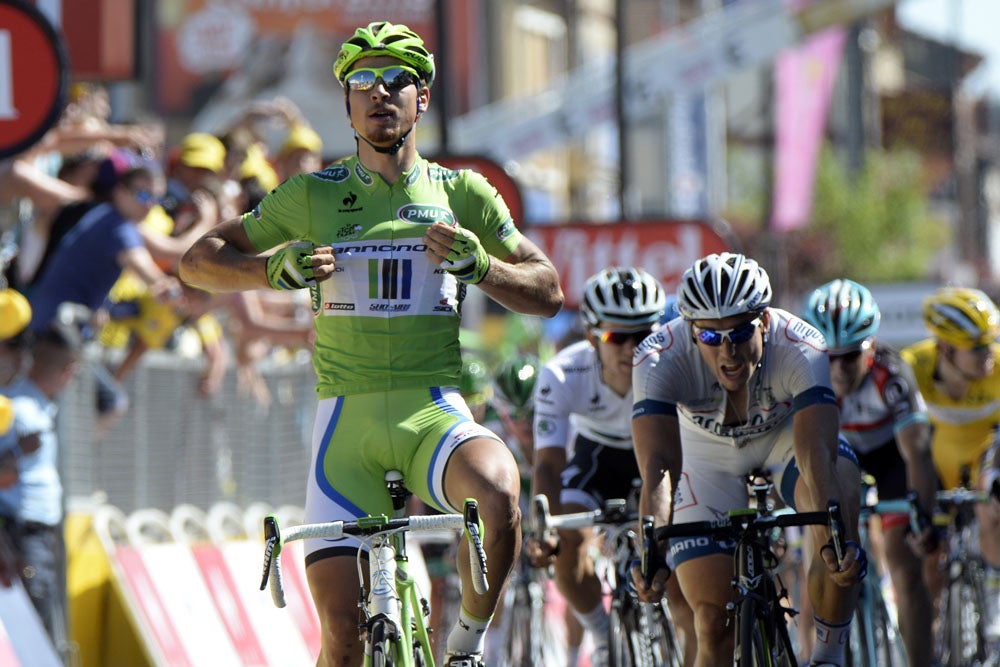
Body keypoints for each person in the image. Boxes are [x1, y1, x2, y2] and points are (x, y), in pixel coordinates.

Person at [178, 20, 564, 667]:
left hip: (432, 413)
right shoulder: (314, 194)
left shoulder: (460, 192)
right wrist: (273, 268)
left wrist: (481, 267)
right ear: (348, 101)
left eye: (396, 80)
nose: (378, 92)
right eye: (362, 81)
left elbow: (548, 287)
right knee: (342, 633)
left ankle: (465, 647)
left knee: (498, 495)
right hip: (344, 429)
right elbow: (197, 260)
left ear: (423, 99)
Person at [631, 252, 866, 667]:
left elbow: (816, 451)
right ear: (689, 330)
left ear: (766, 322)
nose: (729, 352)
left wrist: (833, 532)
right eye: (709, 337)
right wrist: (651, 548)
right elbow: (660, 467)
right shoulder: (657, 359)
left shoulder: (801, 345)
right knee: (711, 622)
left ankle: (828, 655)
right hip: (705, 459)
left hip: (784, 442)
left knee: (839, 499)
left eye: (740, 333)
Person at [526, 267, 687, 667]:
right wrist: (543, 527)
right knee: (567, 544)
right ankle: (600, 631)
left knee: (685, 554)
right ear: (591, 338)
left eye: (644, 335)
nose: (632, 348)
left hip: (662, 454)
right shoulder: (562, 374)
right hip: (596, 457)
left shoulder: (677, 366)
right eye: (618, 337)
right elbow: (548, 464)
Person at [802, 278, 938, 667]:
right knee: (820, 556)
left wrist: (923, 519)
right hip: (837, 458)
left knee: (902, 558)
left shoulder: (891, 375)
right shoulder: (806, 376)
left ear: (872, 347)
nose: (839, 367)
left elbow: (918, 453)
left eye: (850, 355)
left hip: (891, 458)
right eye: (829, 356)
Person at [900, 286, 1000, 638]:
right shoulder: (913, 368)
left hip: (984, 460)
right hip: (935, 465)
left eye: (992, 341)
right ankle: (940, 630)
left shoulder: (998, 368)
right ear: (944, 348)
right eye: (977, 347)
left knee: (994, 508)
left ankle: (993, 596)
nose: (988, 353)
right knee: (929, 553)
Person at [0, 321, 83, 660]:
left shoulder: (34, 404)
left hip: (38, 534)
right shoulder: (16, 409)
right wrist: (20, 450)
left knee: (42, 626)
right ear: (68, 371)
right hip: (22, 534)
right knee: (33, 630)